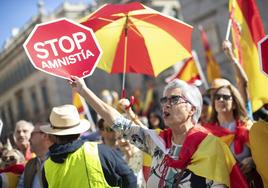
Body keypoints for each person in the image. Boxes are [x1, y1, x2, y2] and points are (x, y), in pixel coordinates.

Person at [70, 76, 248, 187]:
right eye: (164, 100)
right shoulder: (156, 142)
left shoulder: (211, 146)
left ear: (192, 109)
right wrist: (84, 92)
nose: (166, 104)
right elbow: (117, 121)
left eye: (175, 99)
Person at [40, 104, 136, 188]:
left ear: (52, 135)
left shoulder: (47, 167)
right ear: (80, 132)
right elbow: (130, 179)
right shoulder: (101, 152)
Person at [17, 123, 53, 188]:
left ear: (45, 135)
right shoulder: (29, 165)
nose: (29, 139)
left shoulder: (58, 161)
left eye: (32, 134)